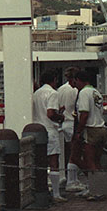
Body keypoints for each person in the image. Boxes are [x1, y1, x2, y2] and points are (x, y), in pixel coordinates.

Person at [73, 70, 107, 200]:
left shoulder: (83, 93)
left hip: (91, 129)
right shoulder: (95, 92)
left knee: (89, 160)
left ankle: (96, 190)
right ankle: (97, 186)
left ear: (79, 80)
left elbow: (84, 114)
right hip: (101, 127)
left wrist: (79, 131)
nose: (75, 84)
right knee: (97, 161)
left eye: (75, 81)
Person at [33, 69, 65, 202]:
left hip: (37, 130)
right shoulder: (53, 93)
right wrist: (60, 116)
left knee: (40, 161)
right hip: (50, 130)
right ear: (54, 80)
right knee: (53, 162)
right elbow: (50, 113)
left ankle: (41, 191)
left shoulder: (36, 93)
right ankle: (56, 194)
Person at [56, 66, 84, 192]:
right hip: (71, 122)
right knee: (74, 153)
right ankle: (72, 180)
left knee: (67, 153)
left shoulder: (60, 89)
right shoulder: (74, 91)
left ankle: (68, 178)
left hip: (63, 123)